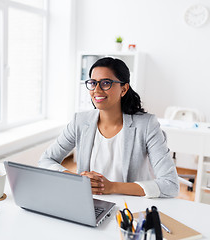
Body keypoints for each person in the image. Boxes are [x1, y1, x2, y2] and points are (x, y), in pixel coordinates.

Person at [39, 57, 179, 198]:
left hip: (131, 206)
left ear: (123, 89)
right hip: (89, 203)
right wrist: (78, 180)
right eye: (93, 83)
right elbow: (46, 160)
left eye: (106, 83)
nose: (97, 90)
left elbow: (170, 184)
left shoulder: (146, 125)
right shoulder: (80, 121)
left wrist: (111, 187)